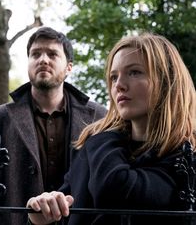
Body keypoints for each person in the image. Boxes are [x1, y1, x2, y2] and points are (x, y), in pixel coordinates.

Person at [27, 32, 196, 225]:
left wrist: (103, 134)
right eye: (114, 77)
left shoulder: (185, 155)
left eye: (134, 72)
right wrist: (40, 215)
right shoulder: (93, 147)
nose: (119, 86)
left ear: (167, 80)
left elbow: (115, 188)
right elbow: (65, 215)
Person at [0, 26, 107, 225]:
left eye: (52, 54)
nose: (43, 59)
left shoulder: (99, 117)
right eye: (36, 54)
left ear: (69, 67)